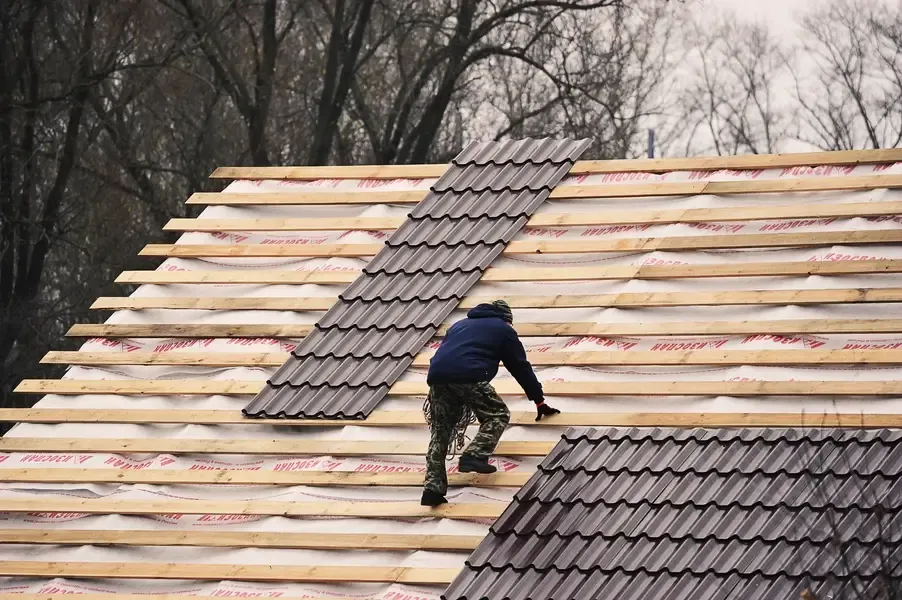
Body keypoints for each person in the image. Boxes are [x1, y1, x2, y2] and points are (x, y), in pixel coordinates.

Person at [420, 299, 561, 507]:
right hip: (469, 374)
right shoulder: (503, 329)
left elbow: (444, 355)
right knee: (497, 414)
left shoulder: (458, 325)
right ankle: (474, 455)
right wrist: (538, 400)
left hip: (437, 378)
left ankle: (432, 489)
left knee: (441, 431)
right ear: (506, 318)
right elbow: (520, 366)